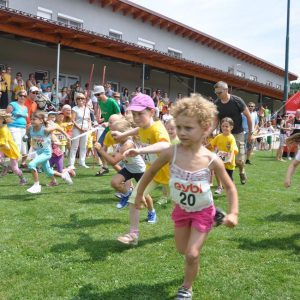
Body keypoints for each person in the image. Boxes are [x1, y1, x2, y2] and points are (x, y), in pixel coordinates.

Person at [133, 95, 238, 300]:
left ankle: (186, 288)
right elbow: (150, 172)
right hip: (181, 209)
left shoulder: (211, 159)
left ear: (205, 128)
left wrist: (234, 212)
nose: (181, 132)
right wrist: (139, 194)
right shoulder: (170, 152)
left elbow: (229, 187)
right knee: (182, 250)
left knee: (192, 254)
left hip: (202, 211)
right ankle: (216, 216)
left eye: (188, 128)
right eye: (179, 127)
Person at [112, 93, 171, 244]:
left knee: (189, 204)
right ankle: (133, 235)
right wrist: (122, 135)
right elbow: (138, 131)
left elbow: (165, 145)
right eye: (134, 114)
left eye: (140, 114)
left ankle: (211, 215)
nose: (136, 118)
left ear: (152, 112)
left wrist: (140, 151)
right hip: (153, 172)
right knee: (133, 199)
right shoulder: (143, 127)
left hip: (172, 174)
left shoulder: (157, 128)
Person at [94, 118, 146, 209]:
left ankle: (151, 211)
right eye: (112, 134)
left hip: (139, 171)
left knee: (143, 199)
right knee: (114, 183)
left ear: (124, 133)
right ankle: (127, 195)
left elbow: (114, 161)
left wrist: (101, 150)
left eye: (115, 135)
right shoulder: (120, 143)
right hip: (129, 169)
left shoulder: (128, 144)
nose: (113, 137)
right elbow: (114, 158)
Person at [214, 81, 252, 184]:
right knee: (225, 159)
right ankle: (227, 181)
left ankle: (242, 170)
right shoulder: (217, 103)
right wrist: (210, 131)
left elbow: (248, 116)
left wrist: (250, 133)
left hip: (238, 134)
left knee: (238, 160)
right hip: (224, 135)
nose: (217, 95)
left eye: (219, 92)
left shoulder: (237, 101)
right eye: (216, 93)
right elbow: (216, 120)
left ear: (226, 90)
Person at [26, 112, 73, 193]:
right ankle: (63, 175)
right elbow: (27, 134)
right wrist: (25, 137)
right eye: (31, 119)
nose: (32, 121)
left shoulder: (45, 130)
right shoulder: (30, 128)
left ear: (41, 121)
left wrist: (67, 136)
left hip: (47, 153)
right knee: (48, 172)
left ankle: (37, 185)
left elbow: (58, 128)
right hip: (39, 153)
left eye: (34, 119)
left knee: (31, 165)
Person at [93, 85, 121, 175]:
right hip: (107, 130)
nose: (97, 97)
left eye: (98, 95)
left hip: (116, 129)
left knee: (119, 152)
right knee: (98, 147)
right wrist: (101, 120)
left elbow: (120, 116)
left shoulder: (112, 102)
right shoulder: (99, 101)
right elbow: (106, 116)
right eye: (95, 95)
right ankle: (105, 167)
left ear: (103, 93)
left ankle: (124, 171)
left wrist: (109, 123)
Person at [209, 117, 238, 195]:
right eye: (223, 126)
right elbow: (211, 144)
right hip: (220, 160)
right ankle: (219, 187)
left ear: (231, 127)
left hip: (229, 162)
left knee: (229, 179)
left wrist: (230, 159)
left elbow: (232, 150)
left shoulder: (231, 138)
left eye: (226, 126)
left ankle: (232, 190)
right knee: (217, 172)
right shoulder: (219, 136)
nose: (224, 128)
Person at [0, 111, 27, 185]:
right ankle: (6, 167)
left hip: (10, 149)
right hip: (3, 148)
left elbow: (3, 142)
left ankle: (22, 179)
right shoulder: (1, 127)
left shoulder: (4, 129)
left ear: (3, 119)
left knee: (15, 168)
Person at [69, 93, 91, 169]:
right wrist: (80, 128)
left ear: (85, 100)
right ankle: (71, 163)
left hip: (85, 129)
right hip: (77, 129)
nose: (80, 100)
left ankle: (82, 162)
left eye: (82, 98)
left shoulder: (87, 109)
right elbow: (73, 120)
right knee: (74, 146)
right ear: (76, 100)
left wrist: (89, 127)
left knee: (83, 146)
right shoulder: (75, 109)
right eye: (79, 98)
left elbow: (89, 119)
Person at [6, 90, 28, 160]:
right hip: (13, 127)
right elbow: (6, 115)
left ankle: (17, 164)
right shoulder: (13, 104)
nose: (22, 97)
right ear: (17, 96)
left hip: (23, 128)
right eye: (21, 95)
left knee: (23, 146)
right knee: (16, 145)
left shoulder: (25, 107)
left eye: (24, 96)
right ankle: (12, 164)